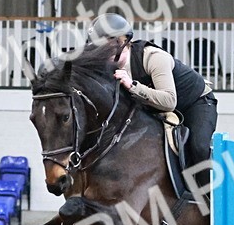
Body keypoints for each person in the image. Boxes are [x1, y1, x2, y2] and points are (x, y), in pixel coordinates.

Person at [88, 14, 217, 190]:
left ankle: (209, 198)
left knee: (199, 146)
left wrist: (132, 86)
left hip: (195, 103)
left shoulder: (153, 57)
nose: (99, 53)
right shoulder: (107, 67)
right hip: (153, 106)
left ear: (121, 42)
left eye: (103, 47)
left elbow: (169, 101)